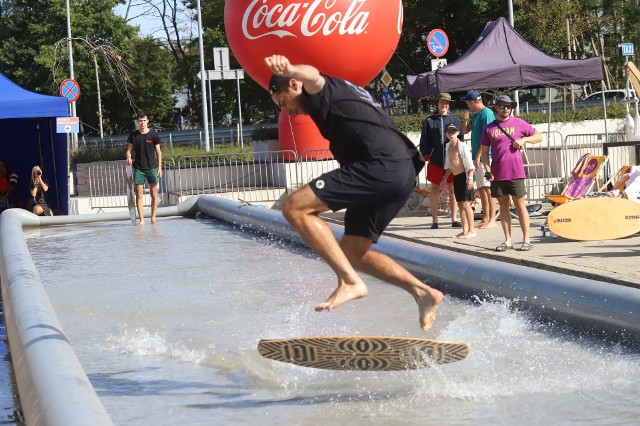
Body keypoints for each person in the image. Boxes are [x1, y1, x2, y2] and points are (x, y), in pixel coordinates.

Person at [264, 54, 443, 331]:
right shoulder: (345, 90)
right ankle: (422, 292)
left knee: (294, 207)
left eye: (283, 103)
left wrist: (291, 69)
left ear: (294, 86)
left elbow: (312, 74)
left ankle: (348, 281)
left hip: (379, 166)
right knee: (353, 252)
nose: (287, 112)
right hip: (402, 171)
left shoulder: (320, 90)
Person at [480, 95, 542, 252]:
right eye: (502, 106)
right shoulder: (489, 128)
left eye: (508, 106)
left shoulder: (519, 123)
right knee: (504, 207)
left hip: (516, 173)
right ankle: (507, 240)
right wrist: (487, 171)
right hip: (497, 174)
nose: (506, 109)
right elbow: (484, 153)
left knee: (521, 206)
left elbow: (538, 136)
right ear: (496, 108)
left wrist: (524, 140)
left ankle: (526, 240)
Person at [419, 93, 462, 229]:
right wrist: (428, 157)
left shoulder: (455, 120)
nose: (444, 105)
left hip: (452, 161)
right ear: (437, 104)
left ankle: (454, 218)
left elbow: (460, 139)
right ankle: (435, 221)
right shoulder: (429, 121)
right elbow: (424, 142)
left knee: (452, 190)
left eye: (447, 103)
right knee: (435, 189)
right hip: (436, 161)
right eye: (442, 103)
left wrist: (458, 157)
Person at [460, 90, 497, 229]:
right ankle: (485, 217)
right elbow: (465, 131)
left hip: (485, 157)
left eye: (467, 102)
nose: (467, 105)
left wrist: (478, 156)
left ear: (472, 102)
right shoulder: (477, 115)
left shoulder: (486, 114)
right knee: (482, 189)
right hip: (479, 157)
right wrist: (464, 120)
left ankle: (492, 219)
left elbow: (487, 137)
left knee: (488, 188)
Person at [125, 112, 163, 225]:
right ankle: (141, 220)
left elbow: (158, 152)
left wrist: (160, 167)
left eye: (144, 120)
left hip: (152, 167)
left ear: (148, 121)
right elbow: (128, 150)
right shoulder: (133, 136)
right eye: (140, 121)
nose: (142, 123)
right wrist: (128, 156)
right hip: (138, 168)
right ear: (137, 122)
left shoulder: (153, 135)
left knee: (154, 194)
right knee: (139, 195)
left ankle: (153, 218)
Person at [442, 123, 476, 239]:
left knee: (466, 204)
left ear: (457, 133)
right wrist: (444, 179)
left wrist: (470, 178)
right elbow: (449, 164)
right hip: (456, 176)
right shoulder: (448, 146)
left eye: (453, 132)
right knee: (460, 205)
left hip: (465, 176)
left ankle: (472, 230)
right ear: (446, 134)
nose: (451, 134)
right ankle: (465, 230)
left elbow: (469, 163)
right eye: (449, 132)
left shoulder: (462, 146)